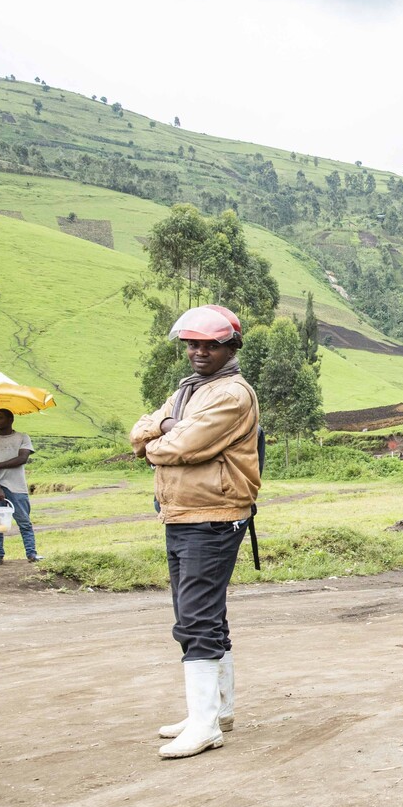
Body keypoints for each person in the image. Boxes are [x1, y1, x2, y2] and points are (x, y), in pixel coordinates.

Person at [129, 304, 262, 761]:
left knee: (195, 619)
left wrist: (163, 437)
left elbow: (180, 446)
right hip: (182, 512)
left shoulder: (231, 394)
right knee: (202, 613)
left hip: (213, 515)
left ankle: (205, 725)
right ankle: (216, 711)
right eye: (193, 343)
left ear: (231, 346)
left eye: (211, 344)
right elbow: (139, 431)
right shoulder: (188, 391)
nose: (199, 351)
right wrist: (165, 429)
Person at [0, 408, 41, 565]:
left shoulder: (22, 438)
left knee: (24, 522)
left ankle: (31, 553)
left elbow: (22, 459)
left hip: (17, 487)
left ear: (10, 419)